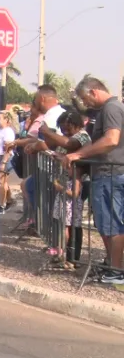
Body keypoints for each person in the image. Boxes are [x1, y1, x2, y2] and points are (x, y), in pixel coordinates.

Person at [63, 77, 124, 284]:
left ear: (94, 92)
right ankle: (112, 265)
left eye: (85, 99)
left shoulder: (111, 108)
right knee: (106, 224)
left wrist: (79, 154)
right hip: (105, 175)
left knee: (112, 224)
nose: (85, 104)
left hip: (111, 175)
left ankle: (116, 270)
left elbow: (111, 140)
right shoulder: (108, 109)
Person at [49, 109, 91, 267]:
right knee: (66, 223)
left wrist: (60, 157)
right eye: (62, 128)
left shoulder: (81, 137)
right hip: (67, 183)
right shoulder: (71, 137)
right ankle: (66, 255)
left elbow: (74, 154)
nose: (64, 131)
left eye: (67, 128)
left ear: (75, 124)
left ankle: (74, 257)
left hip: (76, 182)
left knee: (74, 223)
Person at [0, 111, 17, 215]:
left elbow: (8, 148)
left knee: (1, 182)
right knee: (3, 182)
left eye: (0, 118)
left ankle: (1, 205)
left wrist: (3, 162)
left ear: (6, 120)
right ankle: (9, 200)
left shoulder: (8, 131)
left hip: (5, 157)